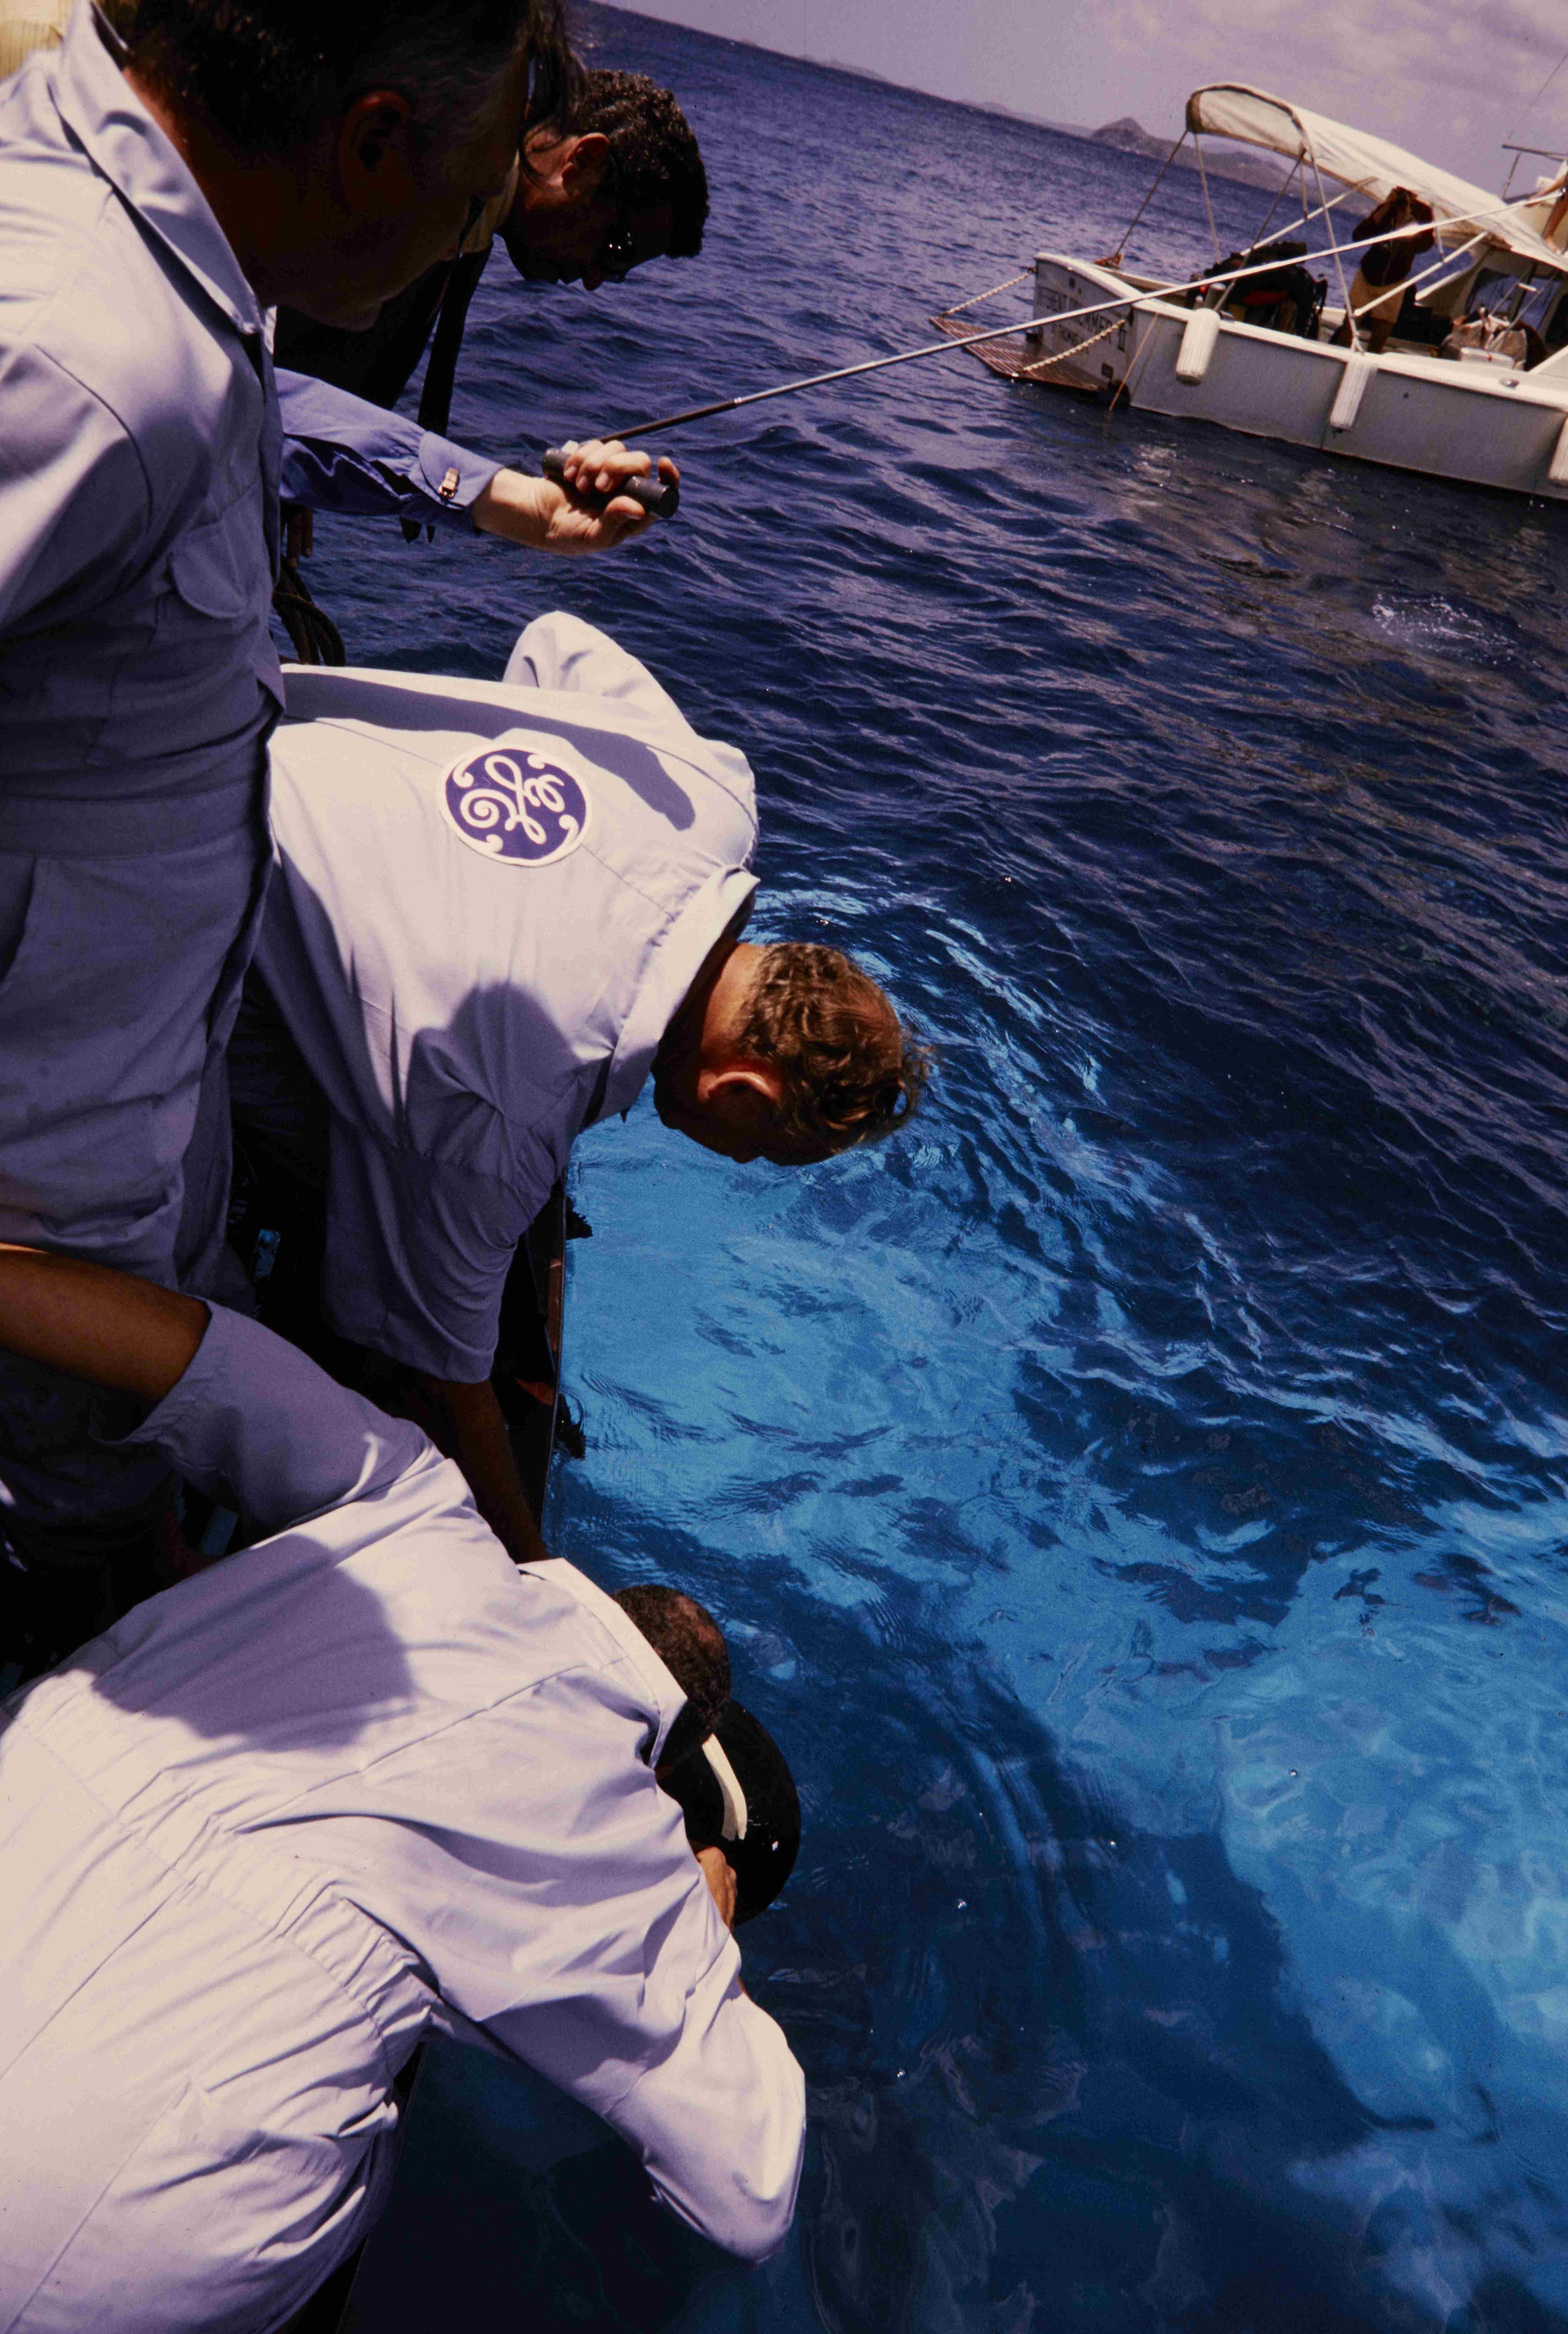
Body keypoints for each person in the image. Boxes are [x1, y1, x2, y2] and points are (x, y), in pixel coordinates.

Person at [0, 0, 667, 1576]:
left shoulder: (179, 289)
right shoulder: (81, 361)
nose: (478, 230)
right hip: (44, 1216)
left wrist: (494, 497)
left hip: (137, 1147)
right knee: (90, 1580)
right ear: (374, 142)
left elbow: (258, 404)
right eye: (484, 184)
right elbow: (127, 398)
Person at [0, 1243, 805, 2329]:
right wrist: (703, 1921)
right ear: (662, 1767)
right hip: (83, 2234)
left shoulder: (409, 1495)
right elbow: (750, 2196)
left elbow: (194, 1351)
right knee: (364, 2154)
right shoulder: (631, 1856)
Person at [227, 612, 930, 1569]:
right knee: (329, 1250)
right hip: (158, 872)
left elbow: (554, 640)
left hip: (240, 717)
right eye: (761, 1147)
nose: (740, 1159)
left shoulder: (707, 791)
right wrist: (532, 1562)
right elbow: (441, 1370)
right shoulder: (497, 1122)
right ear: (741, 1091)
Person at [275, 68, 710, 420]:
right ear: (584, 160)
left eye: (617, 273)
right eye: (616, 249)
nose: (595, 280)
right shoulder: (424, 177)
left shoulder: (474, 219)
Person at [1330, 184, 1435, 354]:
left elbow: (1425, 245)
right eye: (1401, 192)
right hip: (1368, 274)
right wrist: (1386, 206)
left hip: (1394, 280)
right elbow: (1359, 235)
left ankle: (1371, 360)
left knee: (1381, 332)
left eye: (1408, 194)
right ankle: (1340, 354)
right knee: (1349, 326)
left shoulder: (1423, 213)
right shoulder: (1387, 209)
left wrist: (1407, 219)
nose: (1404, 197)